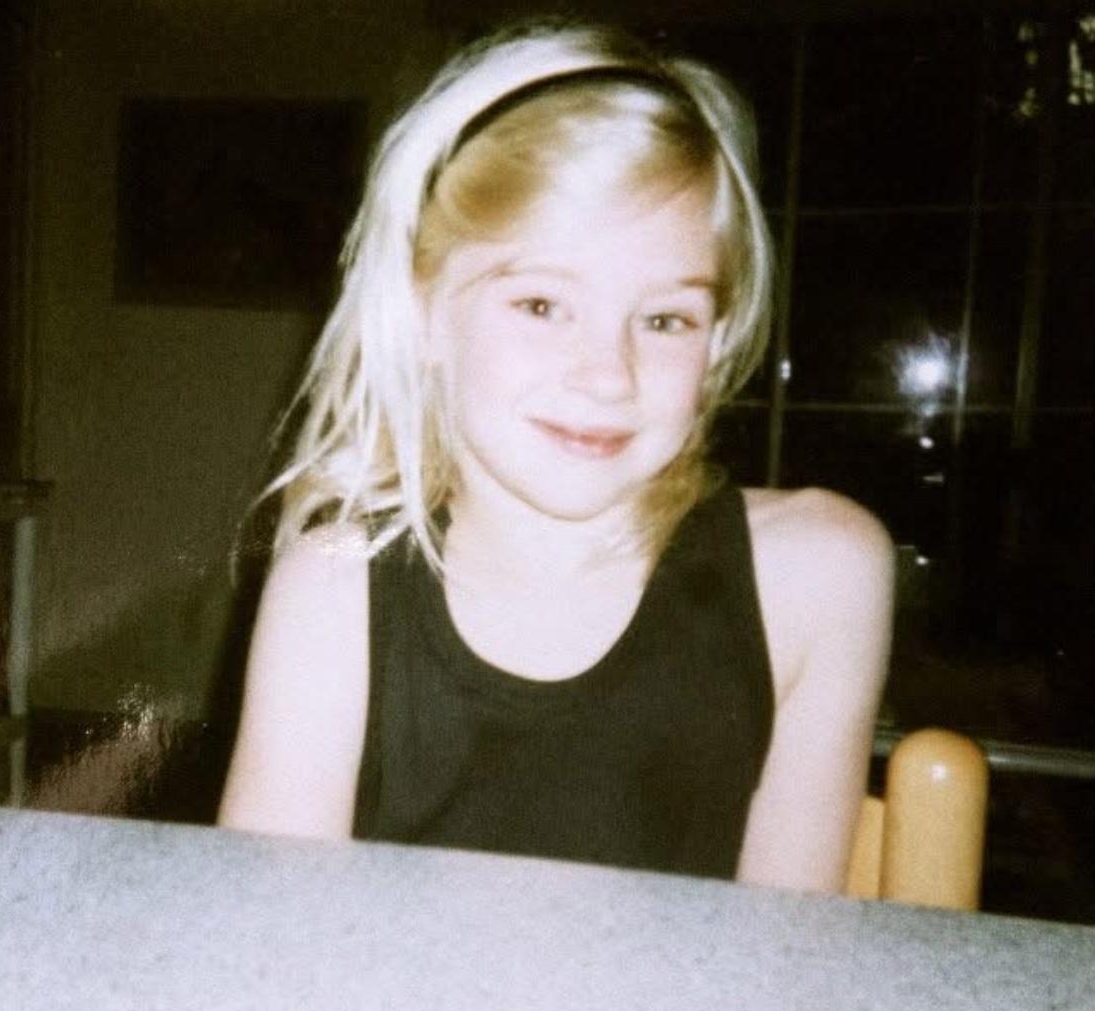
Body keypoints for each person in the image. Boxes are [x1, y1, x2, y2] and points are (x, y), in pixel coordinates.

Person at [218, 19, 894, 894]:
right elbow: (269, 932)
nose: (609, 376)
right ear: (420, 313)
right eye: (541, 305)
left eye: (665, 320)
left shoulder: (818, 575)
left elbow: (786, 949)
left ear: (718, 340)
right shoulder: (335, 586)